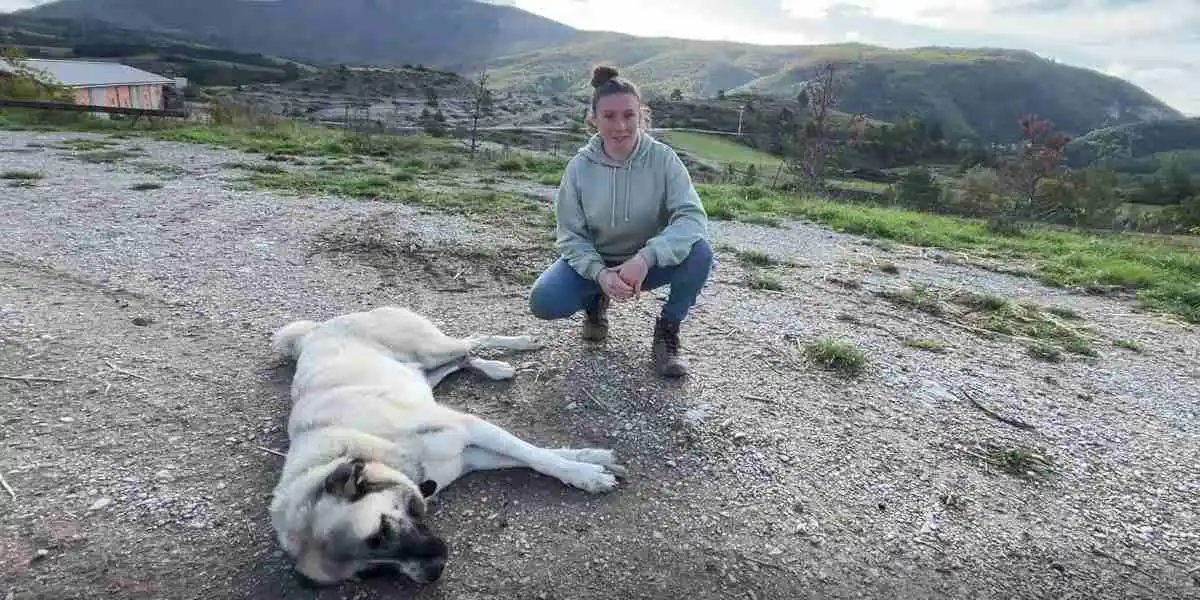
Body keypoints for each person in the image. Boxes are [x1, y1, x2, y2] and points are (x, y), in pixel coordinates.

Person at [528, 64, 713, 378]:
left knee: (700, 253)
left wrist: (645, 259)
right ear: (594, 118)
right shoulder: (579, 168)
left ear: (641, 115)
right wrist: (599, 275)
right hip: (595, 264)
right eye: (609, 116)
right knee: (544, 301)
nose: (620, 126)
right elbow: (570, 235)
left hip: (645, 265)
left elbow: (692, 218)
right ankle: (595, 301)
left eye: (629, 115)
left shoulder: (664, 159)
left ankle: (667, 332)